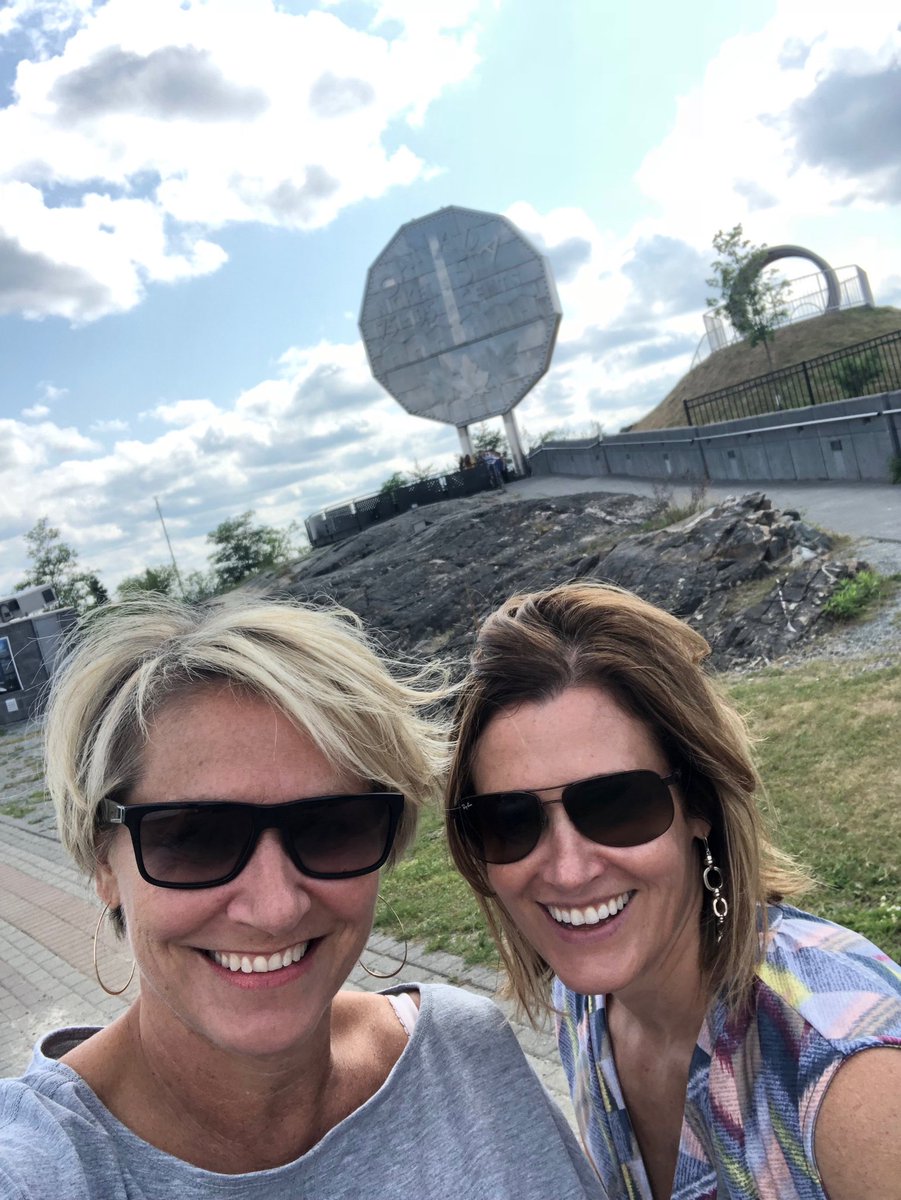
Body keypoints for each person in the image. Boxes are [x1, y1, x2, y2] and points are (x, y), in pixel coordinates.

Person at [0, 595, 604, 1200]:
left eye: (330, 828)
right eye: (196, 838)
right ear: (103, 861)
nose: (276, 909)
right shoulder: (38, 1166)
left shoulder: (465, 1057)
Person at [444, 582, 901, 1200]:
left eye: (617, 805)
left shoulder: (854, 1074)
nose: (568, 871)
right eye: (509, 820)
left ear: (699, 805)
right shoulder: (583, 1006)